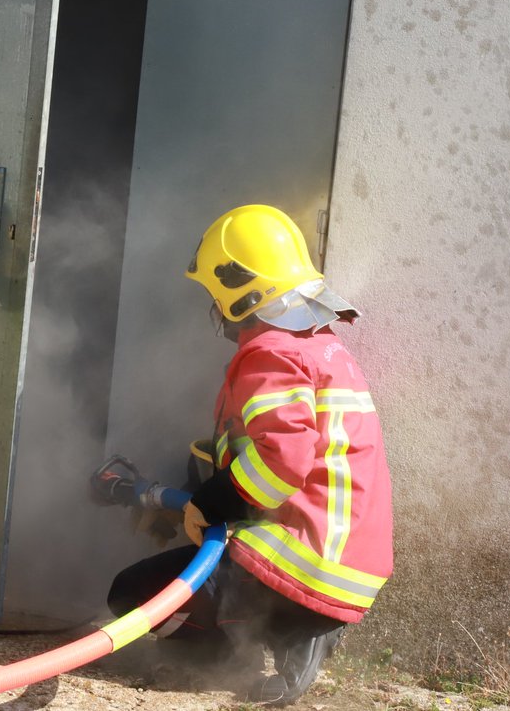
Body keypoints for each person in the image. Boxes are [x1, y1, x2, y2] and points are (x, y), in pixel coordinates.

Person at [107, 204, 393, 705]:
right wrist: (193, 493)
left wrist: (210, 504)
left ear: (242, 292)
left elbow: (282, 459)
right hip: (342, 564)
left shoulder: (269, 353)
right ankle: (287, 632)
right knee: (188, 576)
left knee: (131, 595)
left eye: (216, 296)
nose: (214, 309)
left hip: (300, 566)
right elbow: (258, 446)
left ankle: (262, 646)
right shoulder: (320, 347)